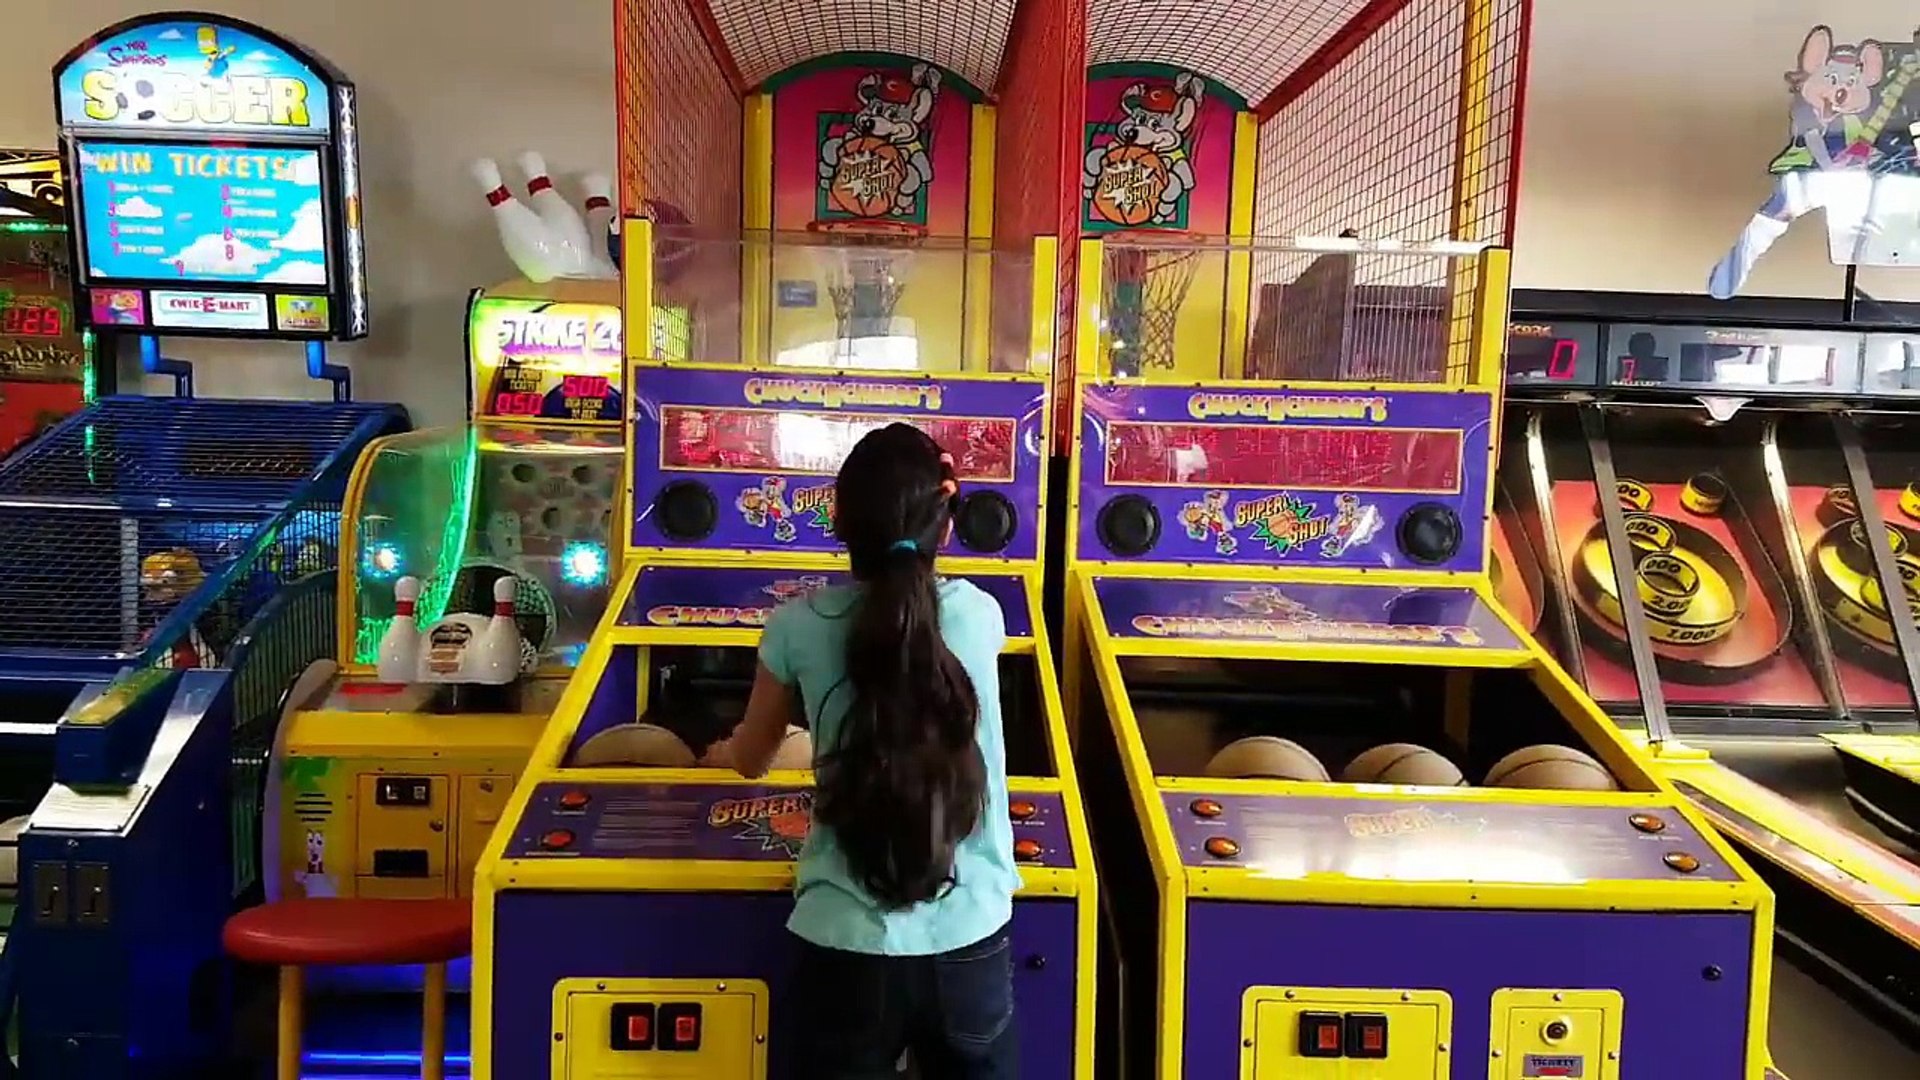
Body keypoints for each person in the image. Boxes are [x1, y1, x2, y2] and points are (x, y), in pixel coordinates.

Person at [705, 423, 1018, 1078]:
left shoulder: (795, 624)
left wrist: (715, 753)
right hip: (966, 935)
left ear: (838, 521)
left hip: (844, 942)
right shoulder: (979, 614)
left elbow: (751, 758)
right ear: (946, 524)